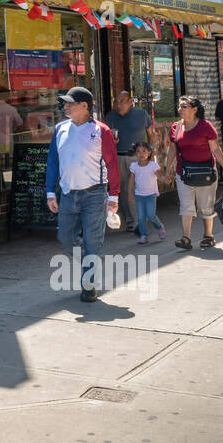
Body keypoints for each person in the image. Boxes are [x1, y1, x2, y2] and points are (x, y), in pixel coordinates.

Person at [45, 86, 119, 302]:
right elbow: (52, 162)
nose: (65, 106)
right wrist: (51, 193)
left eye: (70, 103)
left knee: (92, 240)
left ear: (85, 106)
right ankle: (91, 260)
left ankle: (89, 285)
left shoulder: (100, 131)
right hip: (68, 193)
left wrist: (113, 197)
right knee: (65, 237)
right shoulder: (60, 129)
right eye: (65, 103)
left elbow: (112, 165)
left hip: (95, 194)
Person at [167, 95, 223, 250]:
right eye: (180, 106)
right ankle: (186, 238)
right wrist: (167, 169)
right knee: (186, 205)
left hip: (205, 171)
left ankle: (208, 236)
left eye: (184, 106)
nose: (180, 109)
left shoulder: (205, 126)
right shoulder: (176, 127)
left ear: (195, 109)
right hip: (184, 172)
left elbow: (215, 148)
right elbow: (173, 150)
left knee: (205, 206)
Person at [104, 90, 155, 231]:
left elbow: (151, 135)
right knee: (124, 191)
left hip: (138, 158)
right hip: (118, 158)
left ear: (130, 102)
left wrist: (151, 154)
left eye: (122, 101)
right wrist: (111, 142)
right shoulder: (110, 117)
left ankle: (139, 221)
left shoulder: (141, 115)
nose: (118, 105)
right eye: (116, 101)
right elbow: (104, 139)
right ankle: (133, 221)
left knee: (138, 189)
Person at [128, 141, 167, 245]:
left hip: (151, 195)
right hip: (139, 195)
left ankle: (160, 227)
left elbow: (160, 176)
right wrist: (129, 194)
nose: (141, 154)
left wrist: (165, 179)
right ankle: (144, 235)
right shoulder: (134, 166)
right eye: (138, 152)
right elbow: (131, 180)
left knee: (151, 215)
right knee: (141, 217)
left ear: (149, 153)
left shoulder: (153, 165)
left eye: (144, 151)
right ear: (135, 153)